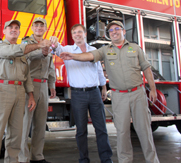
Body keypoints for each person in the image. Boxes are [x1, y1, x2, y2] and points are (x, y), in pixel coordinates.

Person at [59, 21, 159, 163]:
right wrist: (72, 56)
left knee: (144, 131)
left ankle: (152, 160)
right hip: (118, 95)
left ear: (123, 31)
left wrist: (153, 89)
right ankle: (124, 161)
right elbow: (88, 56)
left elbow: (146, 68)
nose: (114, 32)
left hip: (138, 93)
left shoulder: (135, 48)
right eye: (111, 30)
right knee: (122, 132)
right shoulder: (105, 50)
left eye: (117, 29)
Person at [0, 19, 51, 163]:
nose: (14, 30)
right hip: (3, 90)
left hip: (20, 91)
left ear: (19, 32)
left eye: (16, 28)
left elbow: (26, 76)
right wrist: (39, 45)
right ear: (4, 31)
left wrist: (31, 95)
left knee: (16, 134)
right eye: (10, 28)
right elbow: (12, 51)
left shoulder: (22, 52)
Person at [50, 24, 113, 163]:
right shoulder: (67, 49)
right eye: (74, 33)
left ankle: (106, 159)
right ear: (72, 36)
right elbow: (54, 48)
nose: (77, 34)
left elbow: (98, 70)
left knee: (101, 128)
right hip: (78, 95)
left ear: (85, 34)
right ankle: (84, 159)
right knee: (81, 130)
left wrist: (103, 87)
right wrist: (53, 41)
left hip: (95, 92)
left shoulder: (93, 50)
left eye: (79, 32)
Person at [19, 17, 56, 163]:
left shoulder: (48, 43)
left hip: (43, 86)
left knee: (40, 124)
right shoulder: (26, 43)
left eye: (42, 25)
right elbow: (25, 58)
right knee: (24, 123)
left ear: (45, 28)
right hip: (29, 85)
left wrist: (52, 84)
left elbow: (51, 65)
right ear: (32, 28)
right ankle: (23, 158)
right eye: (37, 25)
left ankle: (37, 156)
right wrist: (42, 52)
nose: (39, 28)